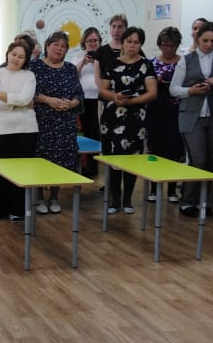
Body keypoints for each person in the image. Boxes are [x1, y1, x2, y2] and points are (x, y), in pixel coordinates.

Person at [170, 20, 213, 217]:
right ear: (198, 39)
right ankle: (187, 201)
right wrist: (191, 90)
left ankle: (204, 202)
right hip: (191, 115)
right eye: (205, 40)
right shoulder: (186, 60)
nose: (210, 44)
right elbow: (173, 89)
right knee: (198, 159)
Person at [98, 25, 158, 213]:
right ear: (123, 43)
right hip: (112, 117)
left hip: (136, 117)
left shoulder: (146, 65)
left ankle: (127, 199)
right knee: (113, 158)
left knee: (133, 157)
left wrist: (131, 101)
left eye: (136, 42)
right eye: (129, 41)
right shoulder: (112, 63)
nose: (132, 45)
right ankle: (115, 199)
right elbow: (103, 90)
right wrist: (114, 96)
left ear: (141, 45)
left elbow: (152, 93)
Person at [30, 31, 85, 213]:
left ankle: (54, 197)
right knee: (40, 158)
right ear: (47, 46)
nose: (59, 49)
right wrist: (49, 100)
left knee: (59, 160)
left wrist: (71, 103)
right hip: (41, 121)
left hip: (65, 123)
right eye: (56, 44)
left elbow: (79, 94)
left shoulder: (70, 69)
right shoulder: (35, 66)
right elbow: (29, 92)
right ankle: (38, 198)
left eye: (63, 46)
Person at [0, 41, 38, 221]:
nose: (16, 59)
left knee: (23, 171)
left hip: (27, 128)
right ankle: (0, 210)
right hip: (1, 129)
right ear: (7, 53)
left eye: (21, 56)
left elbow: (26, 98)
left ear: (26, 59)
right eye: (13, 54)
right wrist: (18, 104)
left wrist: (0, 95)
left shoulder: (29, 75)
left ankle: (19, 210)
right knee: (1, 170)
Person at [146, 26, 184, 202]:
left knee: (174, 149)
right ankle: (154, 188)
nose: (168, 49)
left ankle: (172, 190)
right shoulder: (152, 63)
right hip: (155, 111)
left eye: (172, 46)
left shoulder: (183, 63)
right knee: (155, 149)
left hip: (176, 111)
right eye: (164, 45)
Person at [74, 26, 103, 175]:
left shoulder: (103, 56)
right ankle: (85, 165)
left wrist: (97, 60)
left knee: (95, 133)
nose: (92, 43)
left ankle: (93, 166)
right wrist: (83, 62)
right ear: (84, 43)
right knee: (85, 133)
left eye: (95, 40)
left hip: (99, 100)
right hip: (83, 100)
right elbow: (72, 74)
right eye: (89, 41)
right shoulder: (78, 57)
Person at [93, 13, 127, 82]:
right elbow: (97, 79)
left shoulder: (132, 49)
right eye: (113, 26)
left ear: (126, 29)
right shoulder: (100, 51)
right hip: (105, 88)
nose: (116, 30)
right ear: (110, 28)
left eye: (120, 27)